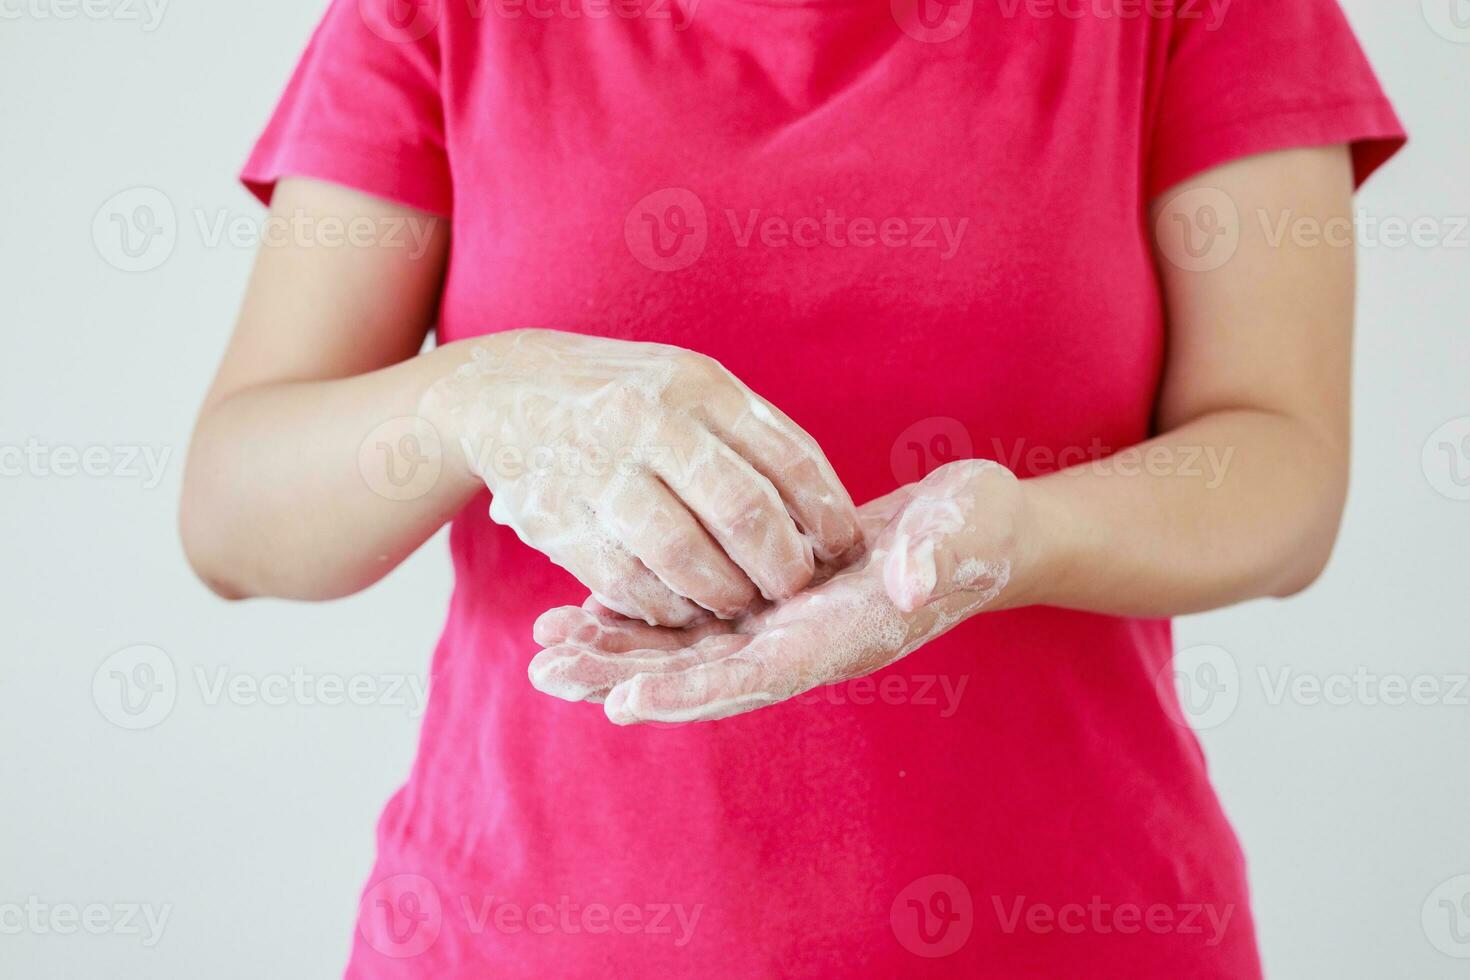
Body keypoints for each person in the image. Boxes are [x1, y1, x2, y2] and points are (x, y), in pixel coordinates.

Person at [180, 0, 1405, 974]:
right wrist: (469, 398)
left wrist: (1015, 534)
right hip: (525, 939)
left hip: (1073, 935)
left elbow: (1283, 468)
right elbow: (234, 514)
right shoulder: (443, 13)